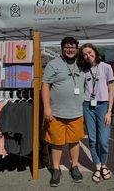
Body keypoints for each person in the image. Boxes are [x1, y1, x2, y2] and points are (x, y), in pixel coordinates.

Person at [42, 37, 85, 187]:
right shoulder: (53, 64)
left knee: (75, 141)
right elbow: (45, 86)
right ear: (62, 48)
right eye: (67, 47)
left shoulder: (81, 64)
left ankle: (75, 167)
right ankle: (55, 169)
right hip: (56, 113)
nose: (70, 49)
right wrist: (47, 108)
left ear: (77, 48)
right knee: (57, 142)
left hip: (77, 112)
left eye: (72, 47)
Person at [77, 43, 114, 183]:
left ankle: (104, 164)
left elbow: (111, 89)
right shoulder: (83, 71)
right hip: (88, 106)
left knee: (103, 140)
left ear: (95, 51)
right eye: (85, 54)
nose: (88, 56)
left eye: (89, 52)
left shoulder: (106, 67)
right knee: (92, 139)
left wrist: (109, 111)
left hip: (103, 106)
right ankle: (98, 166)